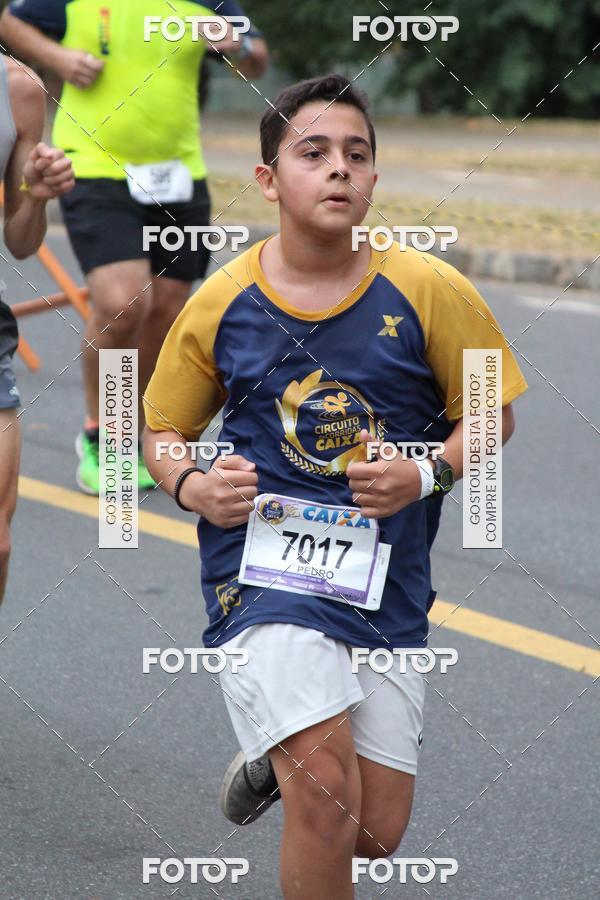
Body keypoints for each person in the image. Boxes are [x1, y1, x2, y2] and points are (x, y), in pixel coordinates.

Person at [141, 74, 528, 899]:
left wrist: (428, 471)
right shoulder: (222, 300)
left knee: (373, 832)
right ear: (269, 179)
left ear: (375, 179)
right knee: (324, 801)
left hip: (385, 581)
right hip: (263, 576)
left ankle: (270, 759)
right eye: (313, 153)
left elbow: (494, 412)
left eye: (357, 154)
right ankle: (292, 759)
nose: (339, 169)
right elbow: (158, 430)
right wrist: (191, 487)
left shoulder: (429, 289)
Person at [0, 0, 267, 494]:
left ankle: (142, 432)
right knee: (123, 306)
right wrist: (56, 59)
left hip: (179, 174)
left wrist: (238, 44)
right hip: (94, 167)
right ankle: (103, 434)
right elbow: (10, 18)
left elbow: (257, 58)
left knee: (166, 311)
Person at [0, 52, 74, 603]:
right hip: (111, 211)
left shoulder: (18, 88)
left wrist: (35, 195)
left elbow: (22, 241)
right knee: (121, 302)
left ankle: (111, 442)